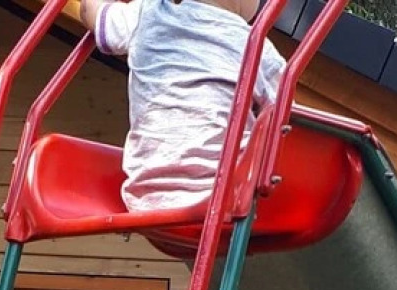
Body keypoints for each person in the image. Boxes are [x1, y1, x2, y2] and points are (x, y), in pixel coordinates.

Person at [80, 0, 285, 212]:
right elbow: (287, 125)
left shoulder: (145, 13)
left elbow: (91, 12)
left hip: (146, 198)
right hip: (226, 201)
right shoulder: (259, 47)